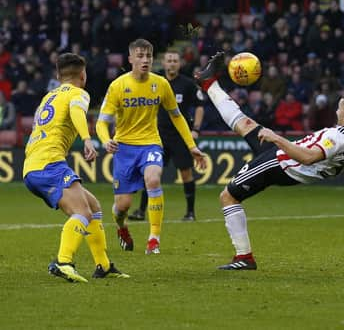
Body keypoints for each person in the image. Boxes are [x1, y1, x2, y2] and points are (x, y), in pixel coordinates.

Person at [195, 52, 344, 270]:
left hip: (283, 162)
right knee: (245, 124)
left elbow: (308, 157)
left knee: (228, 196)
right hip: (290, 162)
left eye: (339, 107)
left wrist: (277, 138)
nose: (336, 110)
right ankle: (209, 84)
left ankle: (244, 257)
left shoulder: (341, 135)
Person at [23, 53, 129, 282]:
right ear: (83, 75)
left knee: (93, 206)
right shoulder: (78, 93)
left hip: (35, 164)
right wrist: (87, 139)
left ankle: (103, 264)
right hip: (49, 164)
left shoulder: (48, 97)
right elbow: (76, 111)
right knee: (82, 212)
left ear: (59, 76)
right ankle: (63, 261)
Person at [96, 39, 206, 255]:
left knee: (154, 179)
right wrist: (104, 140)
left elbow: (177, 116)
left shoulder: (161, 84)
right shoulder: (118, 86)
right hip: (124, 149)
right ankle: (121, 227)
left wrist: (191, 145)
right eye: (140, 56)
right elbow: (102, 121)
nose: (145, 60)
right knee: (123, 206)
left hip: (151, 144)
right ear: (130, 59)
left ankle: (153, 238)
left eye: (148, 56)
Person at [129, 49, 205, 222]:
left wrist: (196, 129)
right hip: (158, 135)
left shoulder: (187, 84)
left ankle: (190, 213)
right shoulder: (154, 82)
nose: (171, 63)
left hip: (179, 135)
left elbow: (200, 105)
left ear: (180, 64)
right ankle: (141, 211)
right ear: (163, 63)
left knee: (186, 173)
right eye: (169, 60)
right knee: (150, 173)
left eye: (175, 60)